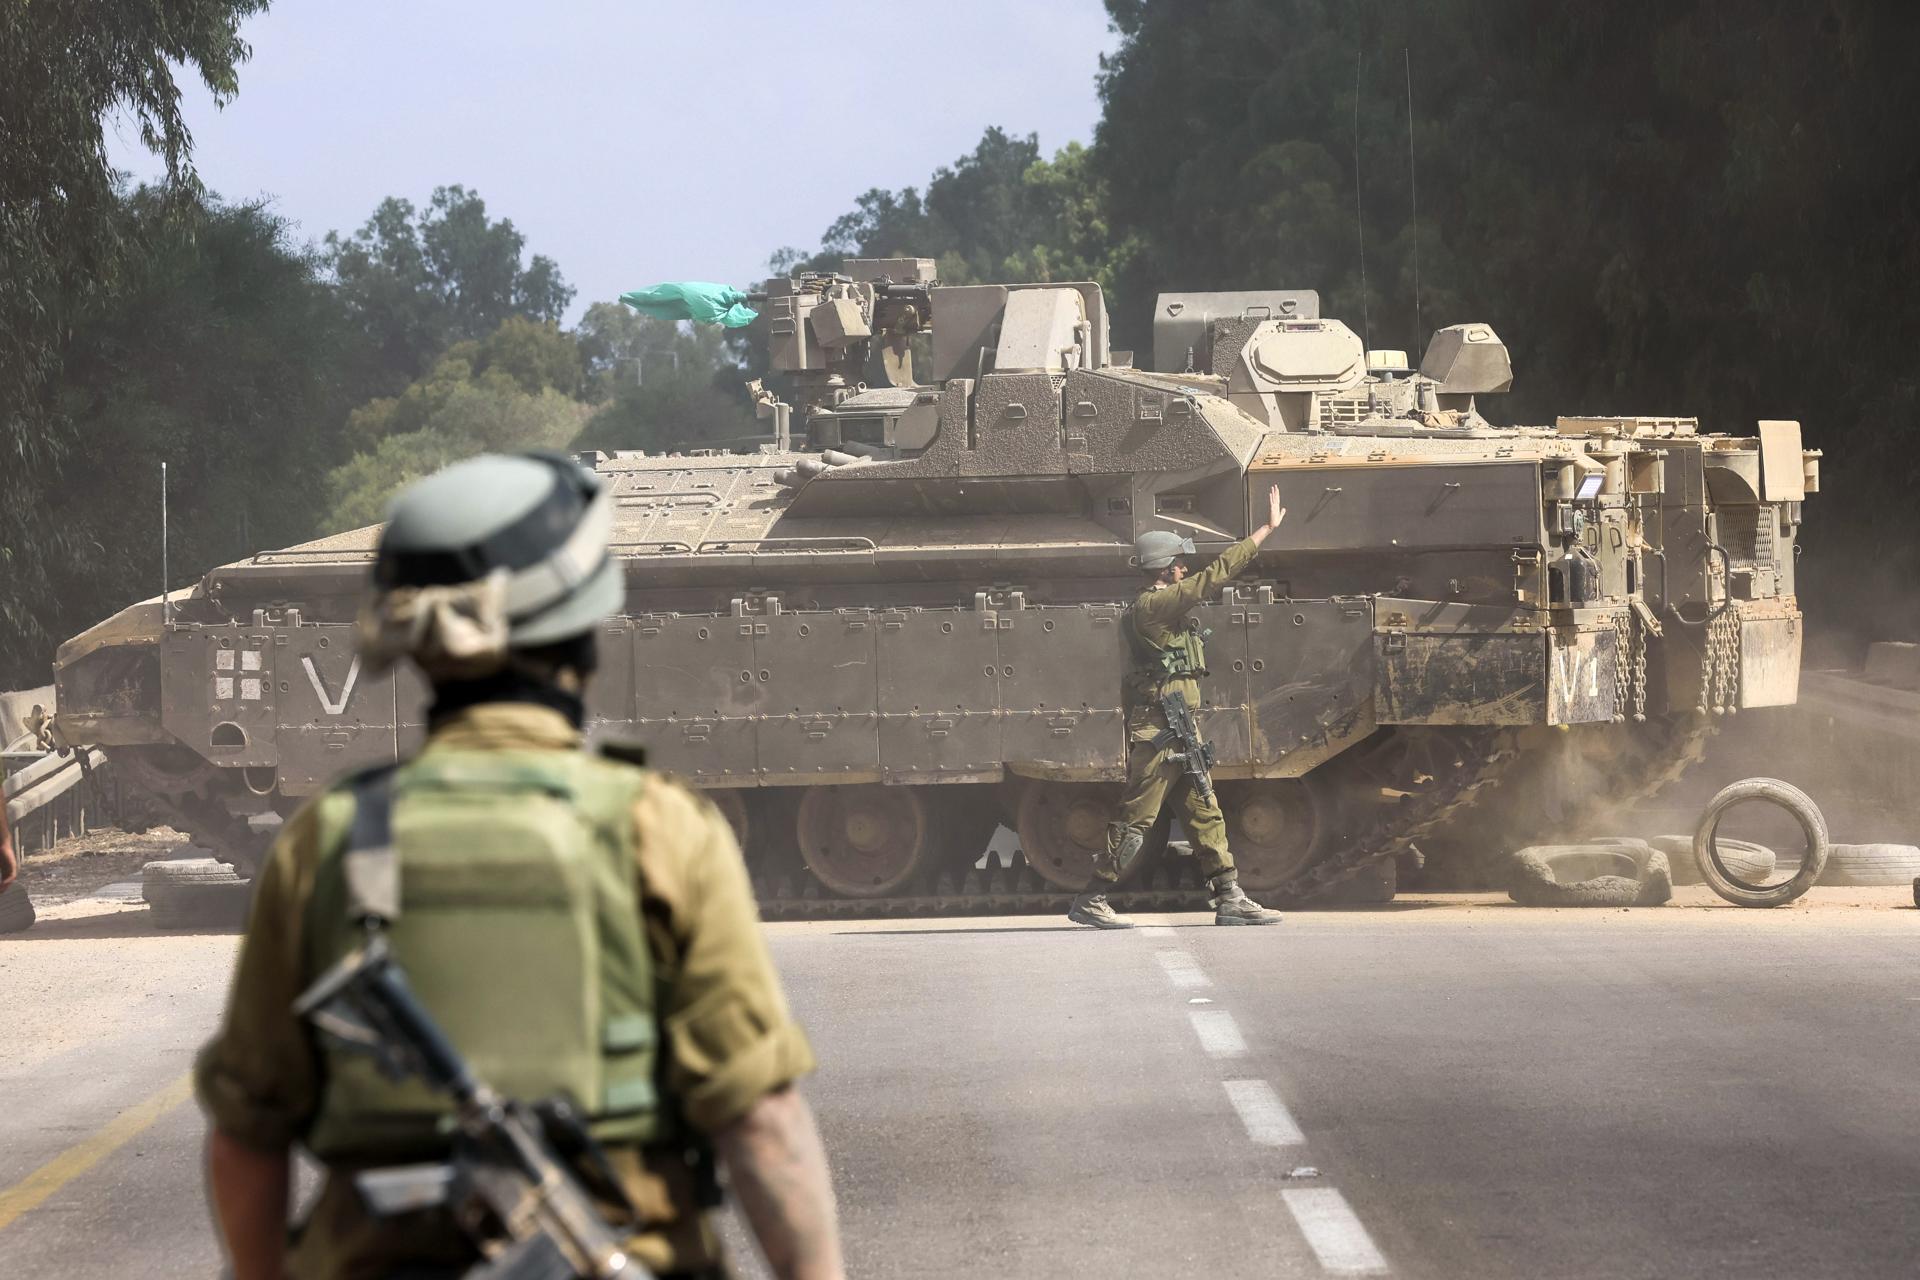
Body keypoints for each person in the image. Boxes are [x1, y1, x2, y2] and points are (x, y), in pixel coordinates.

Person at [196, 450, 844, 1280]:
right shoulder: (661, 829)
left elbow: (246, 1138)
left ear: (416, 647)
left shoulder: (328, 841)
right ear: (580, 628)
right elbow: (762, 1125)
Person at [1069, 485, 1290, 930]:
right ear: (1164, 570)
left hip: (1180, 730)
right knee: (1137, 819)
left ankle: (1229, 897)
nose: (1184, 569)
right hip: (1158, 734)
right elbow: (1211, 579)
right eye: (1178, 564)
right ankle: (1091, 898)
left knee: (1206, 812)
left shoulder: (1160, 607)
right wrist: (1263, 532)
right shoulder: (1152, 607)